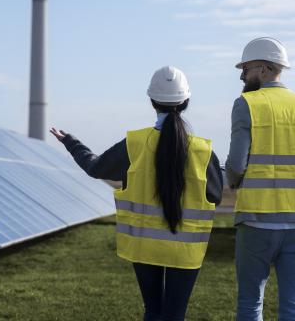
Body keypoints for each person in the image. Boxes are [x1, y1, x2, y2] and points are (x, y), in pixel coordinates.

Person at [50, 66, 223, 321]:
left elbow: (96, 167)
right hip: (186, 250)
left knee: (153, 312)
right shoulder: (203, 151)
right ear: (185, 102)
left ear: (152, 102)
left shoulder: (135, 144)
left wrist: (71, 143)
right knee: (175, 315)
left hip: (144, 246)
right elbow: (216, 195)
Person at [225, 37, 295, 321]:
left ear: (264, 68)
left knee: (250, 302)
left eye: (245, 70)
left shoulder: (246, 103)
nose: (243, 77)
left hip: (257, 219)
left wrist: (232, 181)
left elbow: (236, 163)